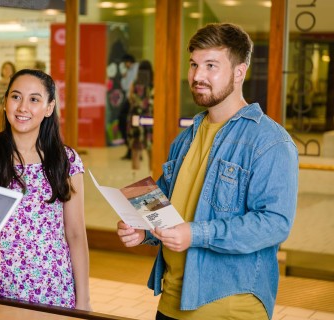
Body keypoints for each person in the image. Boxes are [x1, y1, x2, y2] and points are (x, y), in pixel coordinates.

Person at [116, 23, 298, 320]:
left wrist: (197, 234)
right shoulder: (186, 137)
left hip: (229, 307)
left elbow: (275, 223)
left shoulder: (270, 141)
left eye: (211, 66)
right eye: (194, 65)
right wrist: (141, 227)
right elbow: (163, 203)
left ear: (239, 72)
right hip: (171, 299)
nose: (198, 76)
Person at [0, 69, 91, 310]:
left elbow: (75, 235)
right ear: (5, 102)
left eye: (34, 99)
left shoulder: (67, 161)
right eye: (16, 97)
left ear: (49, 108)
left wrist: (83, 300)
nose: (23, 107)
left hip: (53, 292)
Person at [127, 60, 154, 171]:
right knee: (150, 147)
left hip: (136, 118)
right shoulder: (154, 84)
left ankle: (135, 173)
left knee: (136, 147)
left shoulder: (135, 83)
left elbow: (130, 98)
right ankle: (153, 171)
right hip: (149, 118)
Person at [119, 54, 139, 160]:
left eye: (125, 62)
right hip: (128, 100)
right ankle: (131, 150)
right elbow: (125, 86)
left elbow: (129, 86)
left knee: (130, 125)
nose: (124, 65)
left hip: (133, 101)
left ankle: (133, 151)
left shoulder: (136, 69)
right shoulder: (129, 71)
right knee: (125, 125)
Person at [0, 61, 16, 133]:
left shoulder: (15, 84)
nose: (7, 71)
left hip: (12, 111)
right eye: (5, 69)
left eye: (9, 69)